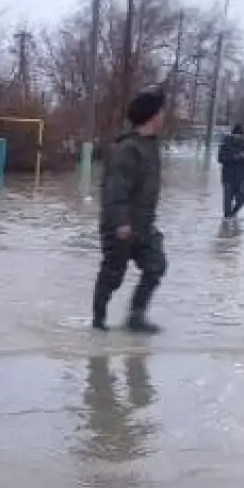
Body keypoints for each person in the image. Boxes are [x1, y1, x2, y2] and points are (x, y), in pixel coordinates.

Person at [92, 90, 167, 333]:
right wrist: (121, 223)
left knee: (156, 265)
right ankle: (98, 321)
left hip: (144, 225)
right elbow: (114, 190)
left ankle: (136, 316)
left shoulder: (151, 146)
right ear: (152, 116)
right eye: (161, 111)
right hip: (121, 226)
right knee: (113, 275)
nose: (163, 116)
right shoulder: (127, 149)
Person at [217, 123, 244, 221]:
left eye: (240, 136)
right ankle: (226, 221)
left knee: (243, 198)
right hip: (228, 176)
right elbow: (220, 158)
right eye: (236, 136)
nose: (238, 138)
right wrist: (234, 157)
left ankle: (233, 214)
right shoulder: (225, 143)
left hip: (241, 176)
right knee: (227, 202)